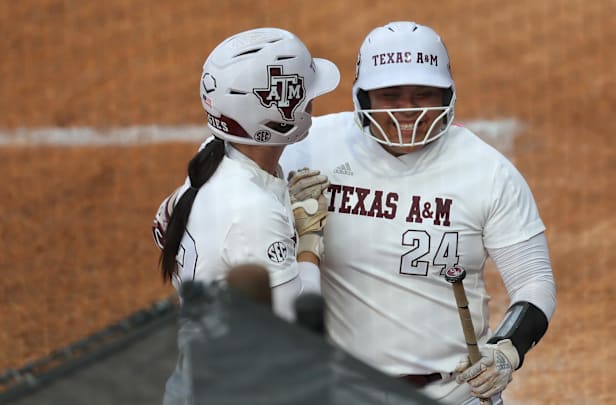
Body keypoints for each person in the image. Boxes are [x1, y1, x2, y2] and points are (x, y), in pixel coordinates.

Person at [278, 21, 557, 405]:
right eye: (390, 95)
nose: (406, 110)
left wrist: (506, 350)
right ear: (363, 97)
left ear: (447, 95)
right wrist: (274, 208)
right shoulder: (306, 149)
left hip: (454, 395)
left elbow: (534, 280)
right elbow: (218, 184)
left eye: (423, 94)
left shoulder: (488, 172)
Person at [151, 27, 339, 405]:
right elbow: (295, 330)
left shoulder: (213, 157)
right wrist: (308, 242)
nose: (312, 102)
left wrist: (283, 206)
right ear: (281, 112)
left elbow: (162, 224)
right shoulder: (252, 211)